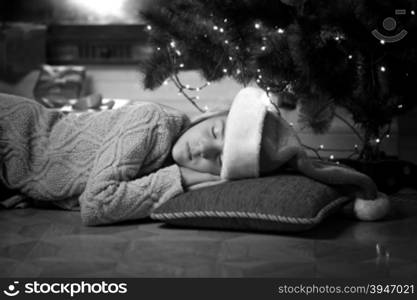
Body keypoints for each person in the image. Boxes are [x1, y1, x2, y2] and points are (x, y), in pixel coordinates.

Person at [0, 87, 390, 226]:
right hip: (15, 126)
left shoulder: (167, 163)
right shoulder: (152, 122)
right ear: (210, 115)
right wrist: (185, 179)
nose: (203, 149)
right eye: (215, 132)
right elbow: (96, 205)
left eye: (218, 161)